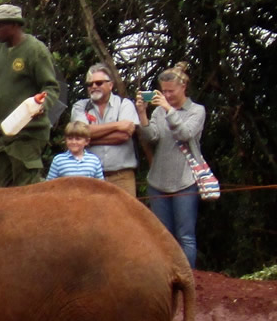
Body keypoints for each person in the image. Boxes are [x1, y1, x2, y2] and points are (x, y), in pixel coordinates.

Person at [0, 3, 64, 187]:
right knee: (0, 191)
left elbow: (51, 87)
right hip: (5, 132)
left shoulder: (35, 50)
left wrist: (41, 105)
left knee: (26, 191)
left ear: (15, 25)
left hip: (29, 133)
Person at [137, 64, 208, 268]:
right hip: (158, 180)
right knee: (162, 234)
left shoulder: (197, 111)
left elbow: (185, 134)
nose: (167, 95)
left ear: (183, 87)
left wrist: (169, 110)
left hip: (185, 180)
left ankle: (188, 277)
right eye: (163, 91)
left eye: (171, 91)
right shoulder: (159, 111)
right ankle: (165, 277)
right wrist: (142, 114)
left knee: (185, 235)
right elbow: (152, 137)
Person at [70, 63, 141, 195]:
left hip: (122, 176)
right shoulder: (80, 106)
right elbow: (81, 133)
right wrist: (116, 125)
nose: (94, 87)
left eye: (99, 83)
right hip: (89, 177)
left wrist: (89, 139)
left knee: (123, 216)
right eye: (90, 84)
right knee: (91, 216)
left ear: (110, 85)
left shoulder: (124, 104)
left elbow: (123, 136)